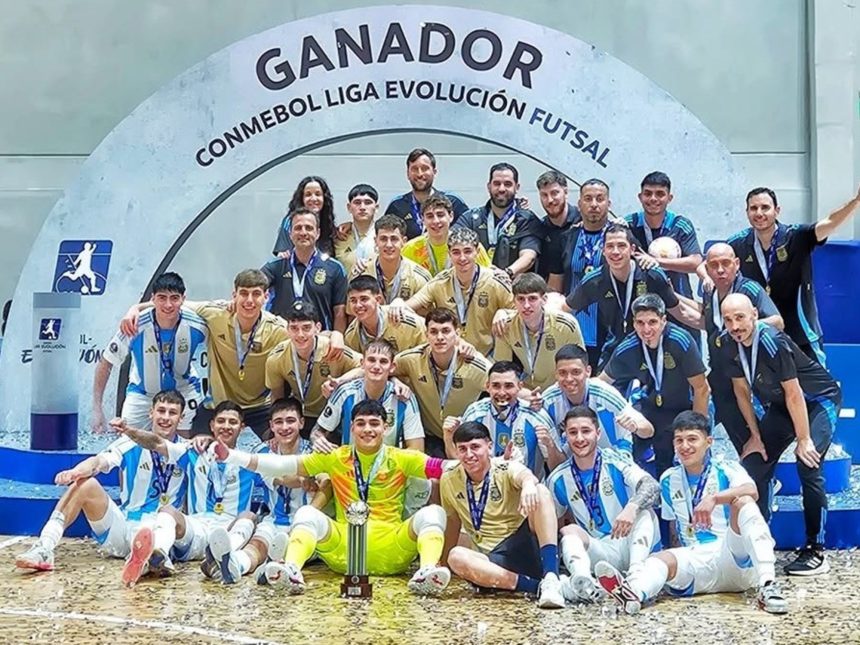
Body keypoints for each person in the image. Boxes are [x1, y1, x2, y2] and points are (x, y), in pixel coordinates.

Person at [218, 400, 452, 595]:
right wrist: (233, 456)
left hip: (393, 549)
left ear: (386, 428)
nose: (367, 429)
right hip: (344, 550)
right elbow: (282, 464)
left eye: (374, 423)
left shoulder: (403, 458)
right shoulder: (335, 457)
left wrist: (486, 462)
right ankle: (291, 570)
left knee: (434, 512)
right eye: (360, 424)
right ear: (351, 428)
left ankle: (427, 573)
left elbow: (445, 468)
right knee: (307, 513)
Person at [595, 411, 788, 616]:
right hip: (697, 561)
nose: (685, 446)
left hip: (732, 556)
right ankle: (633, 593)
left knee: (744, 503)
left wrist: (714, 498)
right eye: (679, 440)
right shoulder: (669, 479)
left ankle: (768, 584)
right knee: (659, 560)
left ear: (709, 442)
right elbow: (673, 529)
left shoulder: (726, 468)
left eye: (692, 439)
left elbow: (752, 490)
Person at [719, 293, 842, 575]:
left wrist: (804, 439)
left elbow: (794, 392)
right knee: (754, 465)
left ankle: (815, 549)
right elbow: (741, 390)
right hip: (782, 407)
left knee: (808, 463)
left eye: (740, 318)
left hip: (816, 401)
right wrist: (755, 435)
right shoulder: (728, 343)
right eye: (728, 320)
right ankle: (758, 540)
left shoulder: (772, 341)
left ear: (753, 314)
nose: (735, 326)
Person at [15, 391, 188, 573]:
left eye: (172, 412)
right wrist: (76, 472)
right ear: (151, 412)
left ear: (181, 418)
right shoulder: (129, 444)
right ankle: (44, 547)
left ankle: (149, 558)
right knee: (85, 484)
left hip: (164, 531)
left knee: (164, 529)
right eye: (161, 411)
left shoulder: (187, 450)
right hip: (126, 526)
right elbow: (98, 461)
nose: (165, 418)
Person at [120, 269, 289, 439]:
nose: (249, 300)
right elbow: (173, 303)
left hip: (259, 406)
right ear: (234, 295)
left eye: (256, 294)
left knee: (280, 445)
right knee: (195, 448)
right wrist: (135, 308)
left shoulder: (277, 328)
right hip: (217, 405)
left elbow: (305, 337)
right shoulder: (215, 313)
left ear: (266, 296)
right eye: (244, 294)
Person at [118, 401, 259, 587]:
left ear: (242, 427)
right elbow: (157, 443)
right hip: (197, 529)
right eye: (221, 421)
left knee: (250, 517)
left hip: (229, 530)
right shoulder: (193, 452)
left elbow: (282, 468)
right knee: (168, 511)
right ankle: (158, 554)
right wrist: (129, 431)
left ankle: (221, 557)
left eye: (232, 422)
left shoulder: (251, 459)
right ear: (212, 425)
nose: (226, 426)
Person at [726, 184, 860, 365]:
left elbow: (829, 222)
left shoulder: (796, 235)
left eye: (765, 207)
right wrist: (705, 278)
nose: (759, 213)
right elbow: (708, 261)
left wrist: (856, 201)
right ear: (747, 212)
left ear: (777, 210)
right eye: (753, 208)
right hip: (763, 336)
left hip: (802, 333)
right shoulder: (738, 243)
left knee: (818, 391)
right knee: (774, 392)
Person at [440, 421, 566, 609]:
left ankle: (551, 576)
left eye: (475, 447)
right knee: (456, 556)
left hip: (522, 543)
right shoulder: (449, 478)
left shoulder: (503, 467)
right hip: (491, 559)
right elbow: (452, 522)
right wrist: (442, 564)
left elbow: (525, 475)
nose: (469, 455)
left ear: (489, 446)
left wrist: (529, 485)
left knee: (540, 492)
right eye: (463, 449)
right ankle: (538, 588)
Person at [203, 398, 324, 584]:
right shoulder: (263, 452)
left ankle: (268, 567)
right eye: (278, 422)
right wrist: (302, 479)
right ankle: (235, 565)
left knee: (290, 549)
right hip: (275, 521)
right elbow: (280, 477)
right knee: (256, 546)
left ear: (301, 422)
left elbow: (326, 482)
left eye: (290, 421)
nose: (284, 427)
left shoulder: (315, 453)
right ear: (271, 426)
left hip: (304, 526)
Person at [547, 406, 660, 603]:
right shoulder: (558, 478)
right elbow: (551, 524)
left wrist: (632, 507)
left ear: (598, 433)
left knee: (645, 512)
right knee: (569, 531)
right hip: (600, 551)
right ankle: (584, 583)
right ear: (565, 436)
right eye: (573, 433)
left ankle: (634, 579)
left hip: (630, 540)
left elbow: (651, 485)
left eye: (586, 431)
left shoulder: (615, 460)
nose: (580, 438)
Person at [599, 294, 709, 484]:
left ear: (664, 321)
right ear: (633, 324)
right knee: (627, 443)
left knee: (685, 455)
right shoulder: (628, 347)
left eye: (652, 322)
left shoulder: (680, 341)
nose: (646, 329)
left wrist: (697, 428)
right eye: (640, 323)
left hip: (685, 407)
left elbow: (701, 389)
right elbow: (600, 384)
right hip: (650, 407)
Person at [684, 244, 783, 453]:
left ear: (736, 264)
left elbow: (777, 321)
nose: (720, 270)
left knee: (758, 440)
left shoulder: (749, 289)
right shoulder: (709, 291)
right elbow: (709, 323)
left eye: (726, 264)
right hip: (719, 376)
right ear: (707, 268)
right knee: (698, 434)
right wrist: (670, 297)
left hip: (748, 376)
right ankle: (702, 479)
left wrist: (739, 329)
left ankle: (764, 480)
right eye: (714, 265)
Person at [93, 272, 207, 435]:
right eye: (162, 298)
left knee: (187, 447)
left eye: (174, 298)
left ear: (183, 299)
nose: (168, 305)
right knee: (128, 445)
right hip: (142, 394)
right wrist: (97, 409)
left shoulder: (197, 325)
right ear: (153, 299)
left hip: (184, 391)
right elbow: (105, 362)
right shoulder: (134, 325)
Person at [563, 223, 692, 367]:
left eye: (621, 246)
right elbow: (564, 309)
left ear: (632, 249)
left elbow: (682, 313)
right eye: (610, 246)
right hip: (617, 349)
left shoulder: (651, 275)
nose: (615, 252)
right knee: (600, 387)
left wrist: (712, 325)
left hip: (654, 349)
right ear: (603, 251)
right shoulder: (594, 281)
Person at [399, 227, 514, 356]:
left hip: (488, 357)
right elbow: (411, 305)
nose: (462, 258)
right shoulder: (440, 282)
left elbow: (518, 313)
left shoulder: (495, 283)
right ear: (449, 254)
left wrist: (505, 312)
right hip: (450, 356)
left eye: (467, 251)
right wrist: (398, 303)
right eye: (456, 252)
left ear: (477, 252)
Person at [393, 308, 491, 457]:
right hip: (431, 438)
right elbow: (378, 368)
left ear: (457, 334)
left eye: (446, 331)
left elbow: (502, 382)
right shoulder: (412, 359)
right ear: (426, 335)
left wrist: (532, 399)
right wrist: (394, 380)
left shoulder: (472, 364)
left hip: (464, 438)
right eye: (433, 332)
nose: (440, 337)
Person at [265, 302, 362, 437]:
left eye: (306, 328)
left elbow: (364, 368)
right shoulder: (277, 357)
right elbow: (277, 397)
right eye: (294, 328)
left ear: (317, 328)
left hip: (333, 415)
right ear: (287, 329)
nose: (300, 334)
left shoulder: (332, 349)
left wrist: (340, 381)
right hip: (301, 416)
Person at [452, 361, 562, 477]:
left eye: (508, 386)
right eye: (496, 386)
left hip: (528, 490)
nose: (502, 392)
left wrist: (550, 446)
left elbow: (558, 468)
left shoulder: (536, 416)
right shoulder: (474, 414)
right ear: (487, 386)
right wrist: (448, 436)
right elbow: (461, 460)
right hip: (485, 489)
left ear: (520, 386)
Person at [547, 179, 613, 370]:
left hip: (610, 330)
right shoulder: (566, 238)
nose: (594, 204)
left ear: (608, 204)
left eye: (600, 199)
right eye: (588, 199)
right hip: (572, 327)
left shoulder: (620, 238)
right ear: (579, 204)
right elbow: (555, 287)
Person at [541, 344, 653, 455]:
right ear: (556, 374)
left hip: (614, 455)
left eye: (576, 372)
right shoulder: (549, 400)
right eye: (563, 373)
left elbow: (648, 430)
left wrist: (636, 427)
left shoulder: (605, 394)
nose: (569, 379)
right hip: (576, 458)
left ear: (588, 371)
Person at [492, 272, 584, 391]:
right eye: (521, 299)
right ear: (513, 301)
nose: (526, 305)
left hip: (560, 389)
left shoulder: (566, 325)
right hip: (524, 391)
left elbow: (578, 368)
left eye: (532, 299)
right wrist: (523, 394)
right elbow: (502, 372)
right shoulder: (506, 325)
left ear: (544, 299)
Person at [624, 172, 702, 309]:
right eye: (648, 194)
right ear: (640, 197)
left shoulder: (680, 225)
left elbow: (696, 262)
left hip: (678, 300)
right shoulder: (629, 224)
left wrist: (656, 261)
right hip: (641, 304)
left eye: (660, 194)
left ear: (669, 198)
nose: (653, 199)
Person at [261, 207, 348, 331]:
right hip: (282, 340)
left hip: (319, 340)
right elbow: (253, 286)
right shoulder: (276, 266)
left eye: (309, 228)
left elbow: (339, 312)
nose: (303, 232)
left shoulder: (334, 268)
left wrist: (338, 337)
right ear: (290, 234)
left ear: (317, 233)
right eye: (298, 228)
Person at [454, 162, 543, 276]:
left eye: (507, 184)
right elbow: (451, 238)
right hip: (477, 285)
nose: (501, 189)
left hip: (514, 287)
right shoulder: (471, 218)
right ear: (488, 186)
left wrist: (506, 273)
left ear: (517, 187)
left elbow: (529, 256)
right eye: (496, 183)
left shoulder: (527, 219)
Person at [383, 147, 469, 239]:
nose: (420, 174)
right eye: (414, 169)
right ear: (408, 174)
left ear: (434, 172)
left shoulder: (454, 202)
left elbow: (468, 236)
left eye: (425, 168)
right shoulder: (397, 206)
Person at [401, 194, 492, 277]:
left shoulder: (470, 246)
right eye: (430, 216)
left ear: (451, 216)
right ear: (422, 219)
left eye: (440, 215)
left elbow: (488, 278)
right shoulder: (411, 248)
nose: (436, 221)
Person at [355, 214, 432, 302]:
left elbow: (428, 314)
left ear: (404, 241)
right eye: (383, 239)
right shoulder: (362, 273)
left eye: (394, 239)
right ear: (375, 241)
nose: (388, 245)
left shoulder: (419, 277)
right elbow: (351, 312)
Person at [343, 276, 426, 354]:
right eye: (353, 300)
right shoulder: (350, 337)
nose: (358, 305)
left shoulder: (406, 322)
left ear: (378, 300)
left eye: (364, 299)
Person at [272, 176, 337, 257]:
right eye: (308, 194)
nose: (313, 199)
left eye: (318, 194)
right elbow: (282, 253)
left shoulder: (328, 223)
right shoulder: (290, 221)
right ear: (301, 198)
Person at [535, 170, 581, 280]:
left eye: (554, 193)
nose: (550, 200)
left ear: (565, 192)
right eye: (544, 195)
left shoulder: (583, 221)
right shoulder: (539, 227)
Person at [334, 183, 378, 276]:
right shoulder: (339, 237)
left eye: (368, 202)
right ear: (349, 208)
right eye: (357, 202)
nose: (362, 207)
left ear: (376, 207)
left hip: (377, 290)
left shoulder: (384, 237)